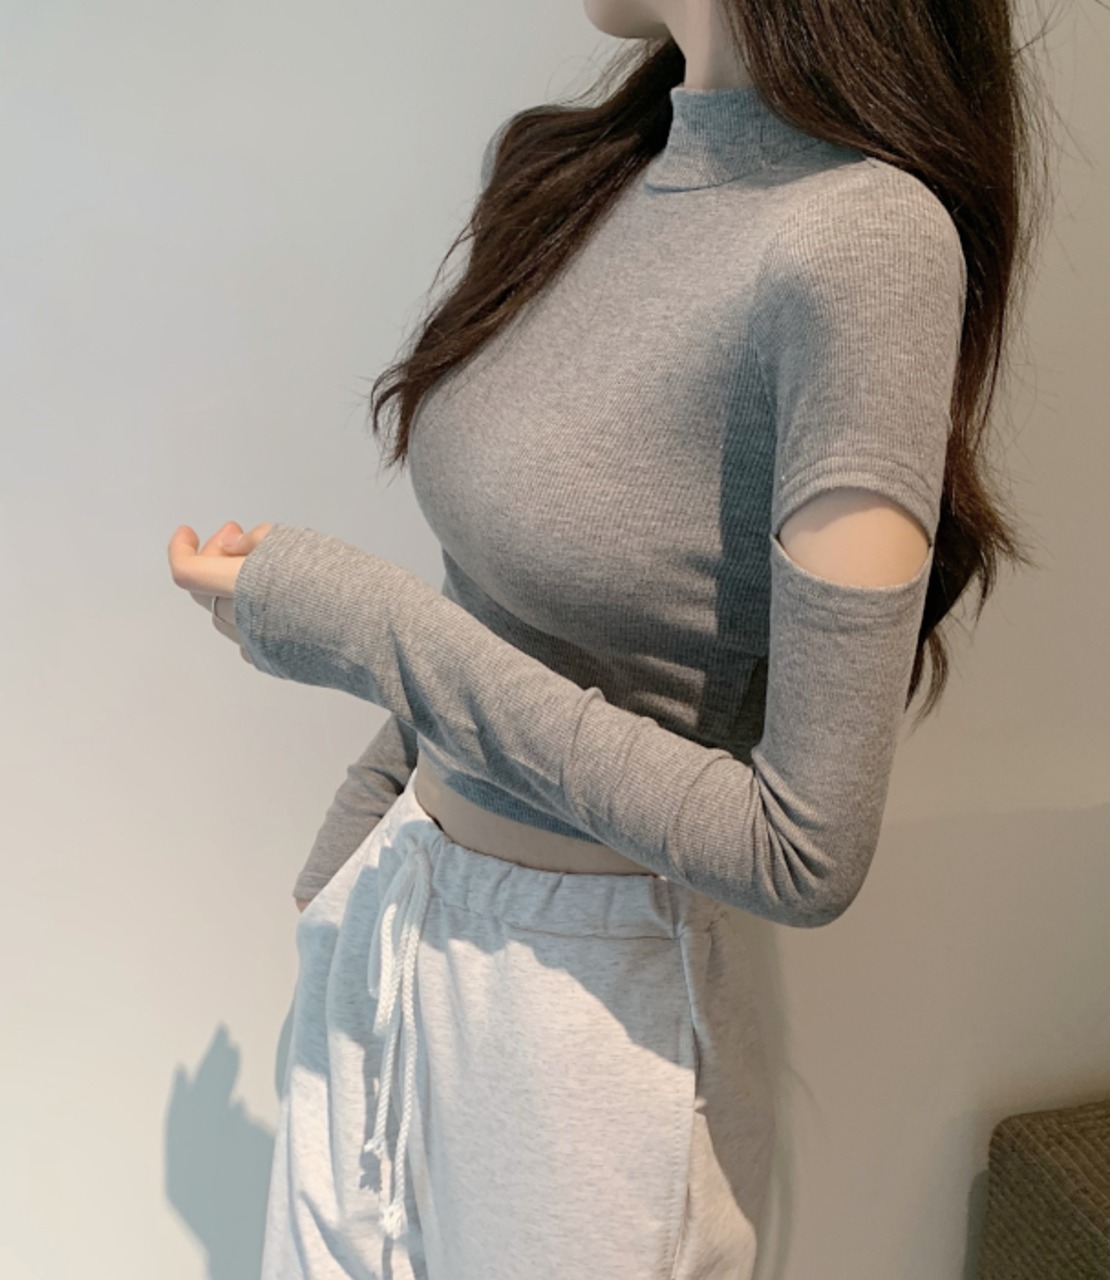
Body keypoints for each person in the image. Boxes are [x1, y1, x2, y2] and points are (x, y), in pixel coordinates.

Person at [169, 0, 1045, 1275]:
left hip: (583, 1036)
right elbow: (501, 608)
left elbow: (803, 848)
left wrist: (364, 627)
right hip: (399, 925)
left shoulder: (861, 244)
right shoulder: (572, 173)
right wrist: (355, 855)